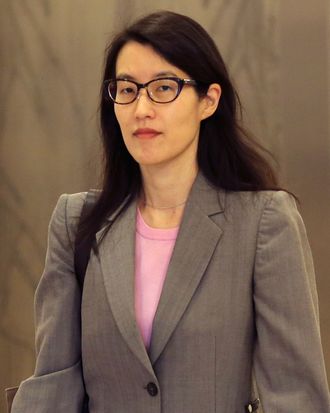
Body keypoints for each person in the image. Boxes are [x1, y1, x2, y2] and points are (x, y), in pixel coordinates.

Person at [11, 10, 330, 413]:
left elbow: (297, 396)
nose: (141, 108)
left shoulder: (263, 222)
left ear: (208, 101)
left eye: (164, 87)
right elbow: (53, 384)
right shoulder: (76, 221)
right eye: (126, 89)